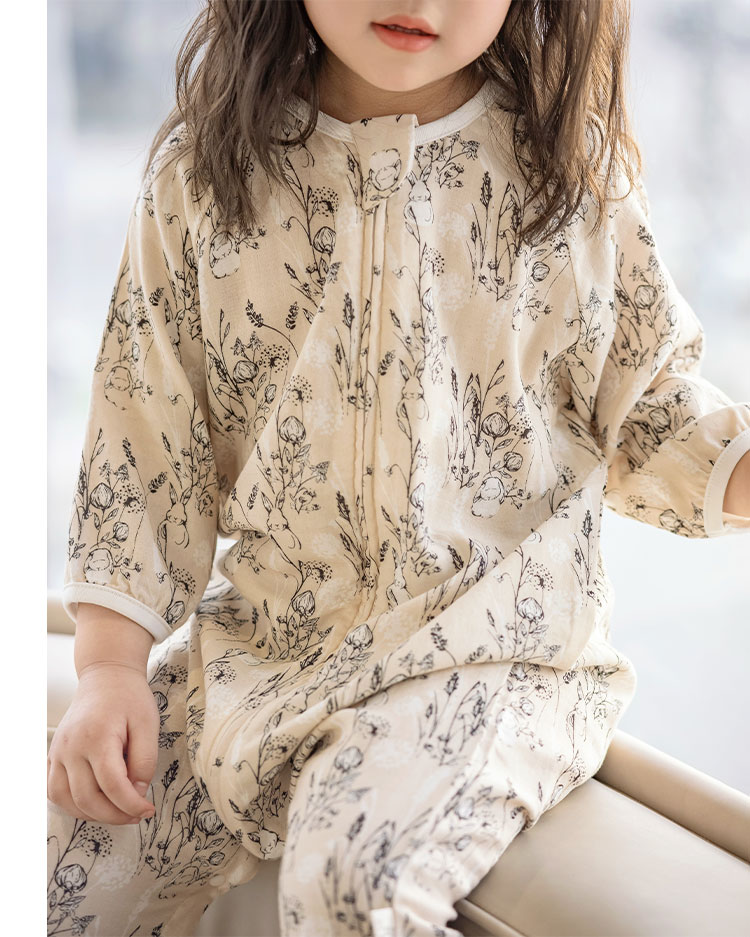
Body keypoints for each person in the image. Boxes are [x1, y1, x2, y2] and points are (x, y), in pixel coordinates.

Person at [47, 1, 750, 935]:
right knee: (61, 870)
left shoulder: (569, 174)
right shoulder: (203, 173)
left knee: (356, 887)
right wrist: (109, 667)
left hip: (494, 657)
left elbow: (647, 408)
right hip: (260, 652)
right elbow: (144, 439)